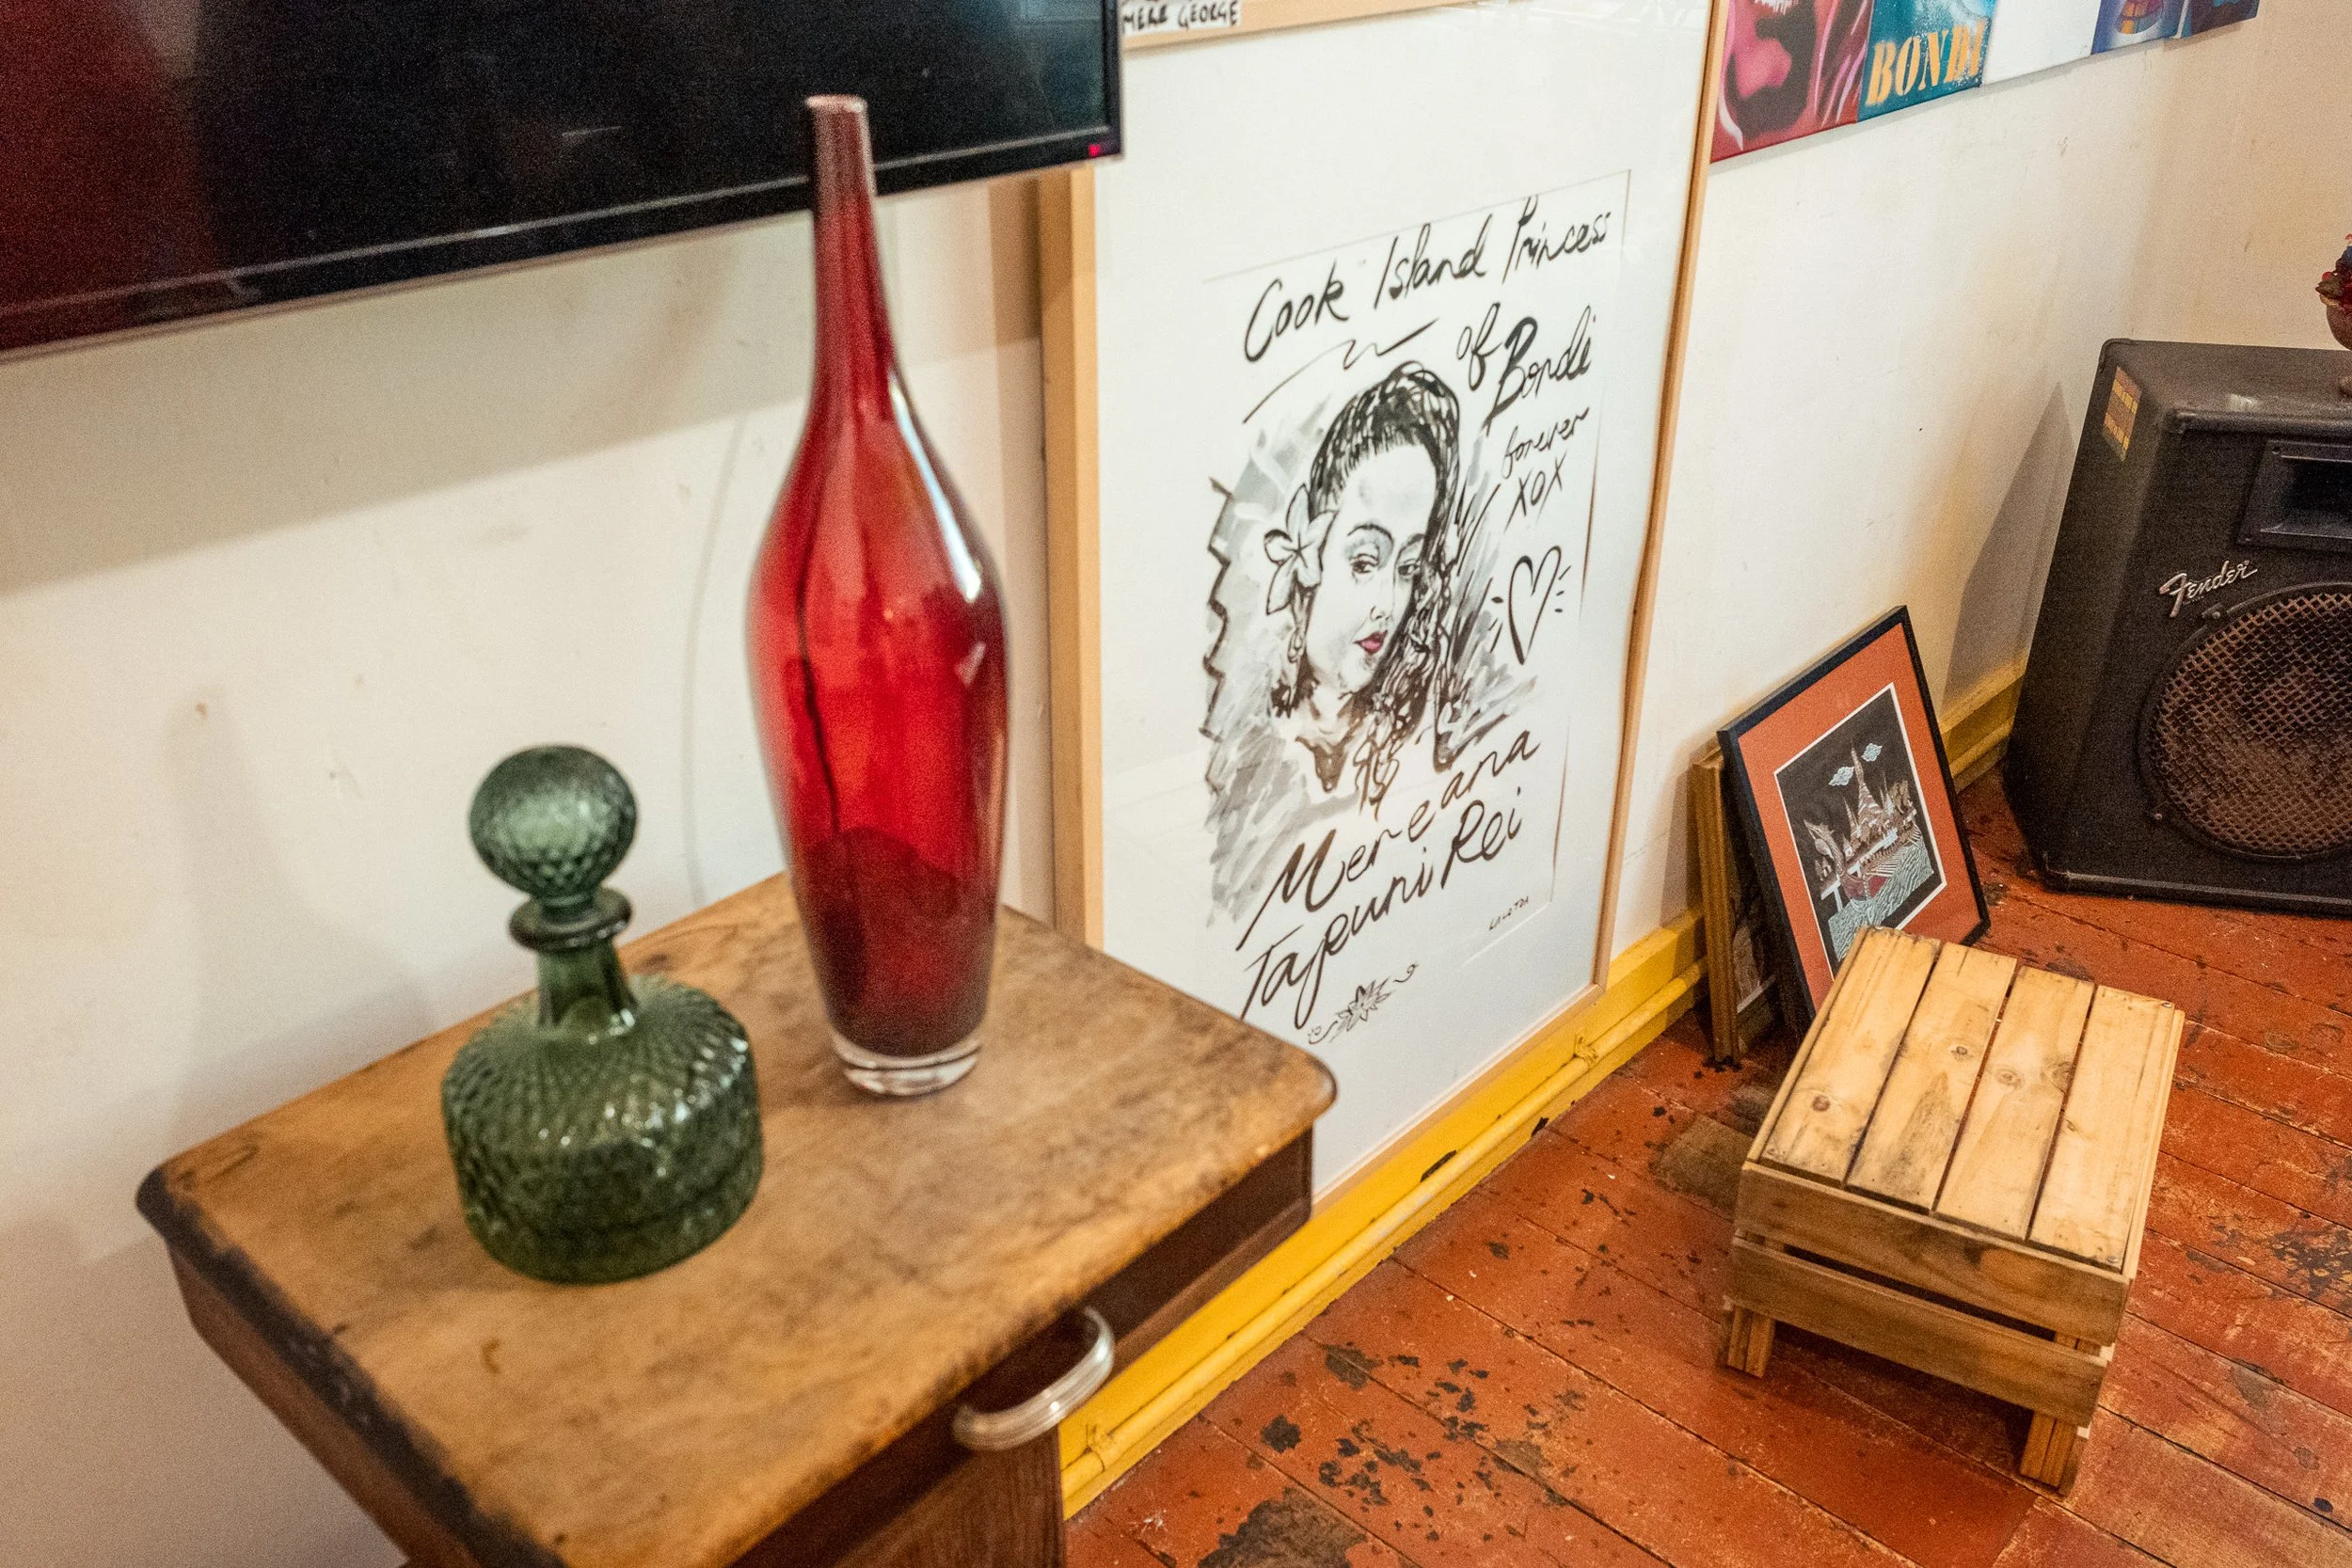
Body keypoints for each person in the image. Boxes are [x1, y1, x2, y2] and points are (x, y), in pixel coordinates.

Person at [1262, 364, 1459, 794]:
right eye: (1366, 563)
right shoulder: (1259, 740)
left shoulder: (1409, 742)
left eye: (1407, 569)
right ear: (1312, 550)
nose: (1388, 605)